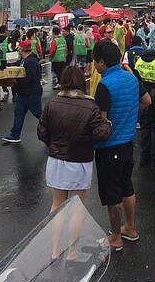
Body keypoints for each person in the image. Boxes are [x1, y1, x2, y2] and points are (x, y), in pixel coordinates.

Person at [92, 40, 152, 251]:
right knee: (127, 187)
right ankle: (130, 228)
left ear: (101, 62)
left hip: (109, 147)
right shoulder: (131, 77)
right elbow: (147, 101)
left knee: (112, 194)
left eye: (95, 62)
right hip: (127, 143)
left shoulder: (104, 85)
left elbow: (101, 122)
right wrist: (131, 115)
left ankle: (116, 236)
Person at [37, 66, 112, 211]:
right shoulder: (90, 106)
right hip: (80, 161)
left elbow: (42, 133)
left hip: (56, 159)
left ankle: (55, 235)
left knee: (57, 204)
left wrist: (54, 145)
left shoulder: (52, 104)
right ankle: (72, 236)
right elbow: (101, 134)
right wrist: (107, 123)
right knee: (76, 207)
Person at [134, 38, 155, 168]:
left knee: (144, 127)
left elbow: (136, 76)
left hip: (142, 93)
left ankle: (144, 158)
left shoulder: (140, 60)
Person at [1, 39, 43, 143]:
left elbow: (31, 78)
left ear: (22, 49)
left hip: (31, 93)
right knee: (18, 113)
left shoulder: (31, 61)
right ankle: (15, 134)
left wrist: (16, 81)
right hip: (22, 93)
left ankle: (55, 131)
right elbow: (18, 67)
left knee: (39, 114)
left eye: (19, 48)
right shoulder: (24, 60)